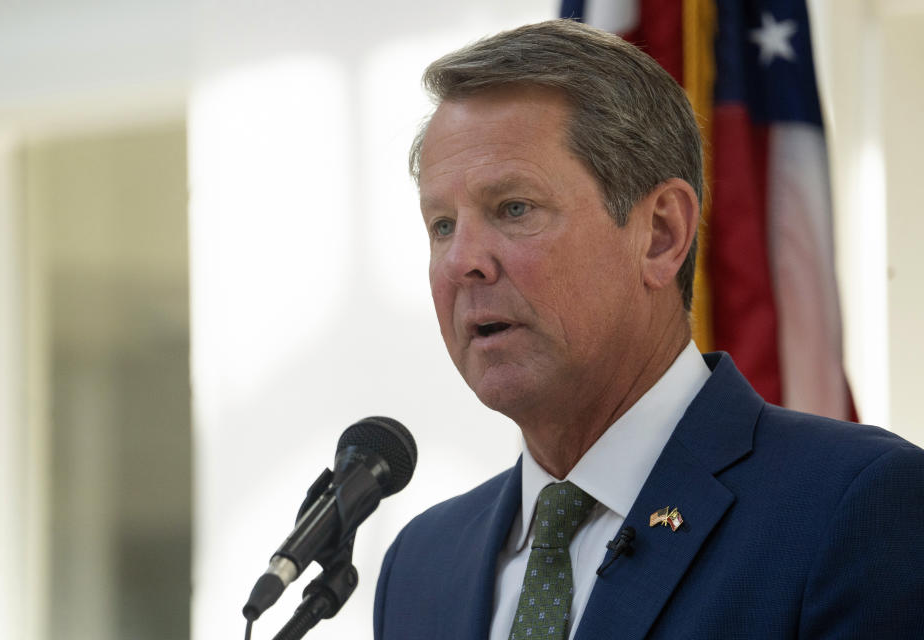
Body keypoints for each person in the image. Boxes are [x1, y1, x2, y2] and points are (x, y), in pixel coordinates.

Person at [374, 19, 924, 640]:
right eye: (442, 224)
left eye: (514, 208)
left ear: (660, 234)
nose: (461, 261)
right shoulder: (419, 564)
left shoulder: (852, 508)